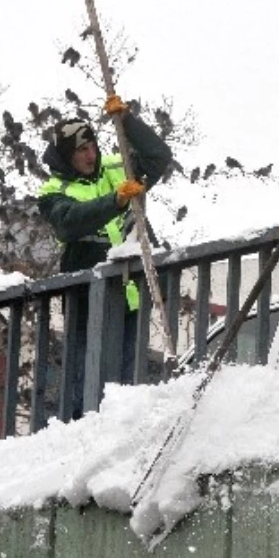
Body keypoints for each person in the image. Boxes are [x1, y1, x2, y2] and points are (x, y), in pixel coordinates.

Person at [38, 94, 172, 416]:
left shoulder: (118, 166)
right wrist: (115, 201)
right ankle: (82, 433)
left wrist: (127, 121)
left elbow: (158, 157)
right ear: (66, 157)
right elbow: (69, 222)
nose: (90, 154)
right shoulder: (53, 192)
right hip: (88, 300)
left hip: (131, 294)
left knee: (127, 381)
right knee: (88, 381)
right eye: (81, 151)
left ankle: (122, 430)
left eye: (92, 147)